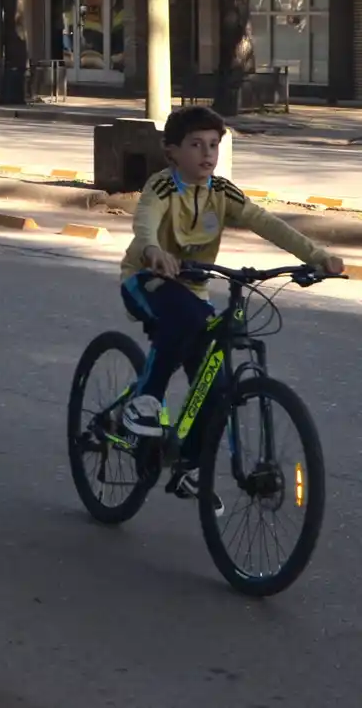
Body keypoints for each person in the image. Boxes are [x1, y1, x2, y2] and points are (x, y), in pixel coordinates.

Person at [118, 106, 344, 503]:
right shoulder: (163, 187)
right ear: (172, 151)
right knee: (183, 322)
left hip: (194, 291)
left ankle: (188, 464)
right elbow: (146, 220)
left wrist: (315, 255)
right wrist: (153, 249)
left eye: (213, 145)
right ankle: (143, 404)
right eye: (195, 145)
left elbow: (266, 222)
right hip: (147, 280)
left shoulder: (222, 192)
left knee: (217, 386)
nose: (207, 153)